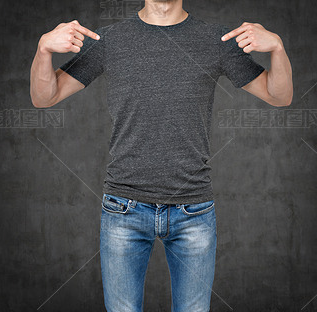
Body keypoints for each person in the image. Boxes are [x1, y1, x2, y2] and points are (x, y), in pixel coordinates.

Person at [30, 0, 293, 311]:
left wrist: (277, 48)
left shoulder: (216, 41)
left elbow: (280, 95)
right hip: (123, 210)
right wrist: (42, 49)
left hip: (194, 211)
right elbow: (44, 97)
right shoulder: (108, 41)